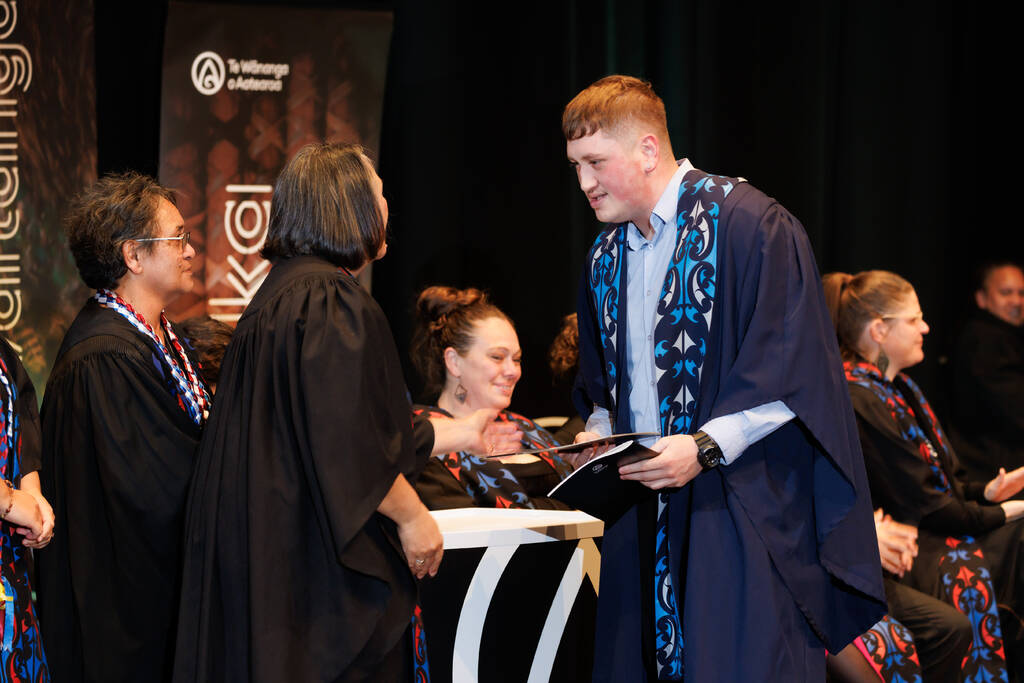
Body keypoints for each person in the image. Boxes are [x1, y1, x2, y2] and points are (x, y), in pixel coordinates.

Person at [563, 75, 885, 680]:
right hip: (643, 510)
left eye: (596, 162)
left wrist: (704, 449)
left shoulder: (750, 225)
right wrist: (600, 435)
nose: (584, 183)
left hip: (740, 503)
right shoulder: (605, 258)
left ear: (648, 150)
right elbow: (603, 383)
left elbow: (795, 369)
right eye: (576, 165)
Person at [173, 142, 443, 683]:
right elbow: (347, 446)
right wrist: (414, 517)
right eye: (381, 193)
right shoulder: (330, 303)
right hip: (317, 581)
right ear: (350, 204)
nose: (389, 206)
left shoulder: (272, 300)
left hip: (269, 562)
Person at [37, 172, 210, 683]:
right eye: (177, 238)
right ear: (133, 256)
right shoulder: (104, 356)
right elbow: (153, 487)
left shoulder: (157, 334)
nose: (191, 251)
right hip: (126, 610)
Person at [823, 269, 1024, 680]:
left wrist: (987, 492)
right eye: (914, 320)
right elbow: (928, 507)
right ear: (879, 330)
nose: (925, 328)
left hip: (926, 530)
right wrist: (1007, 510)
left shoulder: (898, 388)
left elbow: (942, 482)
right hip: (909, 547)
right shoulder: (861, 395)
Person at [410, 285, 574, 510]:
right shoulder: (425, 441)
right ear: (454, 362)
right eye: (497, 357)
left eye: (516, 359)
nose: (512, 371)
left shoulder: (524, 429)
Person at [0, 335, 53, 681]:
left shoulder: (3, 350)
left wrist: (33, 497)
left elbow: (22, 412)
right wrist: (8, 503)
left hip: (10, 569)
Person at [948, 261, 1024, 483]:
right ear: (981, 298)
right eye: (1006, 292)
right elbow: (1014, 407)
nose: (1017, 301)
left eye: (1021, 293)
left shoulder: (1006, 337)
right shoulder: (985, 340)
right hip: (992, 471)